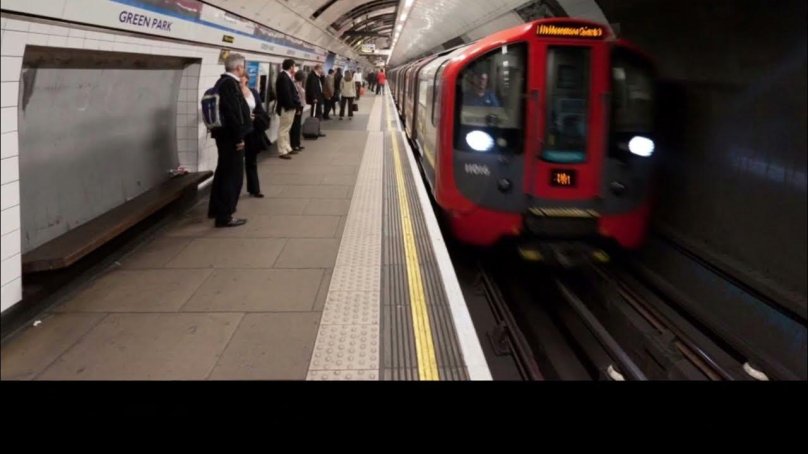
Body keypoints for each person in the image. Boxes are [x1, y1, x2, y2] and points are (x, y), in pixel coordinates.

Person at [207, 53, 252, 228]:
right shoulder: (230, 85)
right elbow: (234, 114)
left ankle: (218, 211)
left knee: (223, 173)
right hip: (231, 139)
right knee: (231, 177)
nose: (244, 70)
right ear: (238, 68)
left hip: (224, 137)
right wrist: (239, 137)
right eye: (243, 67)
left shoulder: (222, 83)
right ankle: (225, 215)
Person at [239, 73, 271, 197]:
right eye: (239, 78)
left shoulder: (253, 92)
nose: (240, 80)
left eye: (242, 77)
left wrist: (256, 117)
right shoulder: (234, 93)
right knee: (237, 163)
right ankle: (234, 190)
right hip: (240, 130)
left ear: (247, 79)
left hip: (252, 130)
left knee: (251, 160)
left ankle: (254, 189)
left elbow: (260, 109)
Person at [274, 58, 302, 160]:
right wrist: (291, 106)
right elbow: (286, 95)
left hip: (289, 107)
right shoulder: (283, 77)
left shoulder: (286, 76)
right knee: (283, 129)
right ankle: (282, 151)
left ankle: (287, 147)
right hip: (287, 108)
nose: (294, 68)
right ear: (291, 67)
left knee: (287, 129)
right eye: (294, 66)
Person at [291, 69, 306, 153]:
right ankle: (294, 145)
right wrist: (298, 109)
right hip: (298, 107)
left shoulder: (299, 84)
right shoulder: (295, 85)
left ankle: (297, 143)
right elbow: (296, 98)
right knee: (295, 126)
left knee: (298, 125)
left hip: (301, 106)